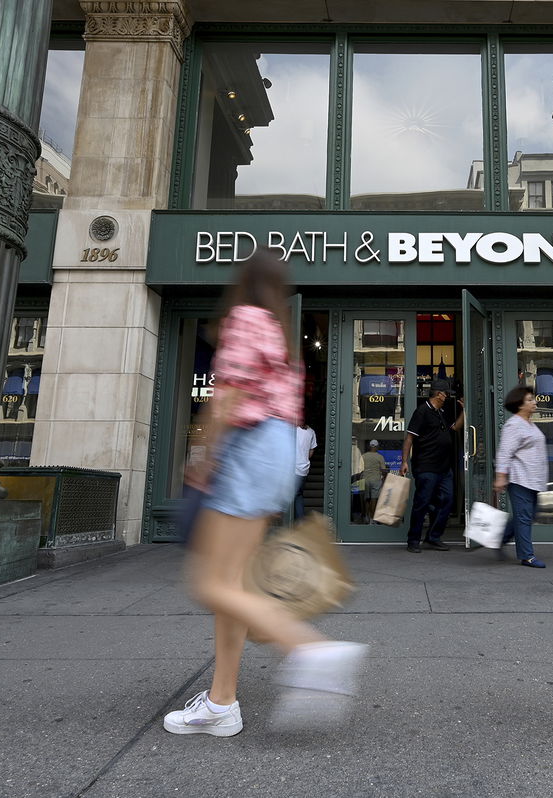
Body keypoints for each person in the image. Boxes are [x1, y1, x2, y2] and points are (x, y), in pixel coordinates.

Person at [164, 253, 366, 738]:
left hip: (247, 449)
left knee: (209, 584)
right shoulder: (280, 337)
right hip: (276, 453)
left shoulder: (245, 319)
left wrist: (203, 457)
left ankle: (309, 650)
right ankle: (221, 701)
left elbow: (227, 396)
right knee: (231, 588)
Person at [399, 377, 463, 552]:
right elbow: (409, 438)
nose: (448, 397)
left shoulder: (441, 412)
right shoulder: (421, 412)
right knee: (422, 503)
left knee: (447, 501)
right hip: (426, 467)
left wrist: (464, 411)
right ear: (439, 394)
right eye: (446, 394)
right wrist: (404, 461)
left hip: (444, 468)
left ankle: (433, 537)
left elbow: (455, 428)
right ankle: (413, 540)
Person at [493, 385, 547, 568]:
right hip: (520, 478)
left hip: (533, 480)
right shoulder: (513, 425)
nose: (535, 402)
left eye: (533, 398)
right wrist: (501, 477)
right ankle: (527, 556)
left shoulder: (530, 424)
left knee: (527, 516)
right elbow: (504, 452)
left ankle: (500, 538)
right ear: (520, 404)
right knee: (524, 517)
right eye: (530, 399)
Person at [294, 420, 317, 519]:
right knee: (298, 495)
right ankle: (300, 522)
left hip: (291, 469)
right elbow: (311, 452)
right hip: (303, 469)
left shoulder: (292, 429)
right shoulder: (311, 432)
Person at [360, 439, 387, 522]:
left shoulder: (363, 456)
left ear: (370, 446)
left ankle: (366, 517)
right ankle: (372, 518)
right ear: (377, 446)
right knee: (374, 499)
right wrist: (385, 479)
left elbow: (360, 469)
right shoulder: (380, 457)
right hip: (376, 480)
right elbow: (383, 470)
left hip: (365, 479)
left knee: (367, 498)